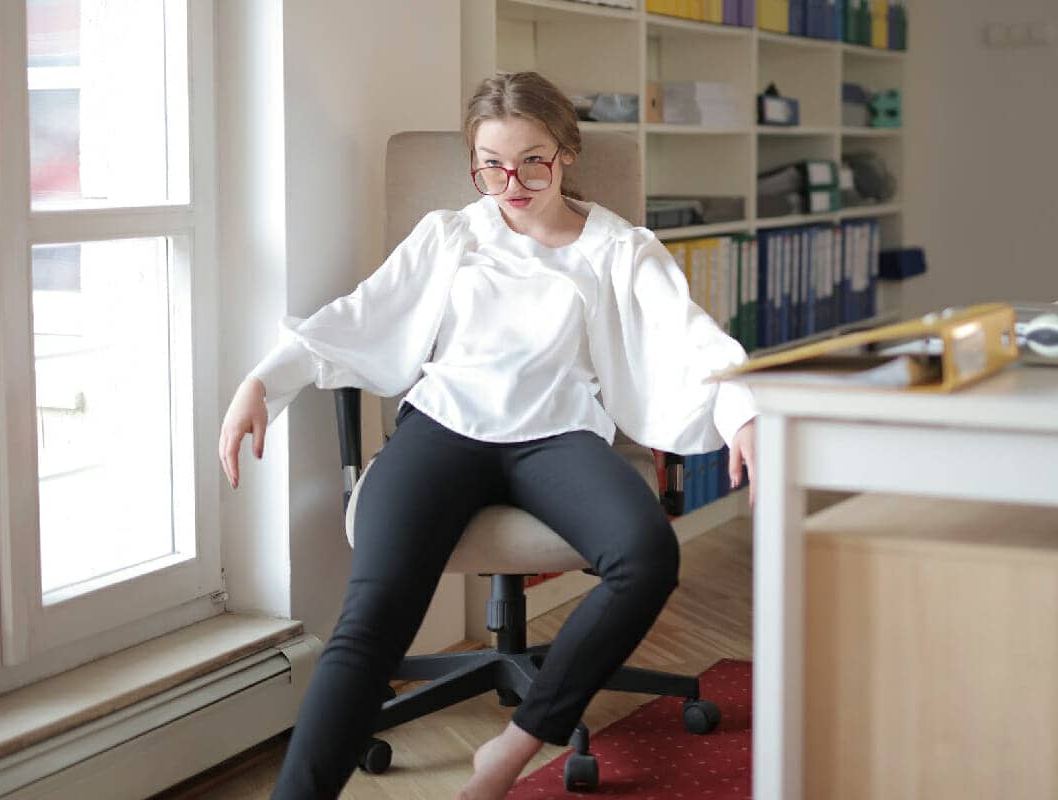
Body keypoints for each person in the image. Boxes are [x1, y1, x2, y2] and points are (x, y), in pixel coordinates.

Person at [218, 70, 758, 800]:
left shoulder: (619, 249)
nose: (512, 182)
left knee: (647, 554)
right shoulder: (451, 235)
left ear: (565, 152)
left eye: (532, 159)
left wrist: (744, 411)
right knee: (369, 623)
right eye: (492, 165)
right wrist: (263, 382)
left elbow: (692, 337)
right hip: (443, 430)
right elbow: (359, 314)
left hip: (557, 439)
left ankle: (513, 747)